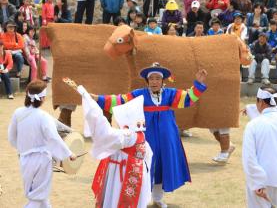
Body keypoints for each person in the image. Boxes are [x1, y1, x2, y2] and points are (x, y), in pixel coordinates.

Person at [91, 63, 208, 207]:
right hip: (147, 137)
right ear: (147, 81)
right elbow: (120, 100)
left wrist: (198, 85)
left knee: (162, 165)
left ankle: (158, 198)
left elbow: (188, 98)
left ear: (162, 81)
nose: (154, 81)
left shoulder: (170, 94)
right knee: (146, 166)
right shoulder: (139, 95)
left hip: (167, 137)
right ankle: (143, 199)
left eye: (157, 79)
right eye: (151, 79)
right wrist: (98, 99)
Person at [62, 78, 153, 208]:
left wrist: (89, 102)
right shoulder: (140, 134)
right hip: (137, 174)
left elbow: (105, 132)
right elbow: (149, 155)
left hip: (122, 176)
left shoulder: (128, 135)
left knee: (115, 199)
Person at [8, 79, 77, 208]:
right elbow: (54, 138)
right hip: (41, 160)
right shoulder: (44, 116)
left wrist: (23, 148)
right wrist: (69, 153)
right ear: (43, 98)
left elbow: (11, 137)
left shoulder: (18, 113)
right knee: (37, 197)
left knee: (40, 196)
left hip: (24, 159)